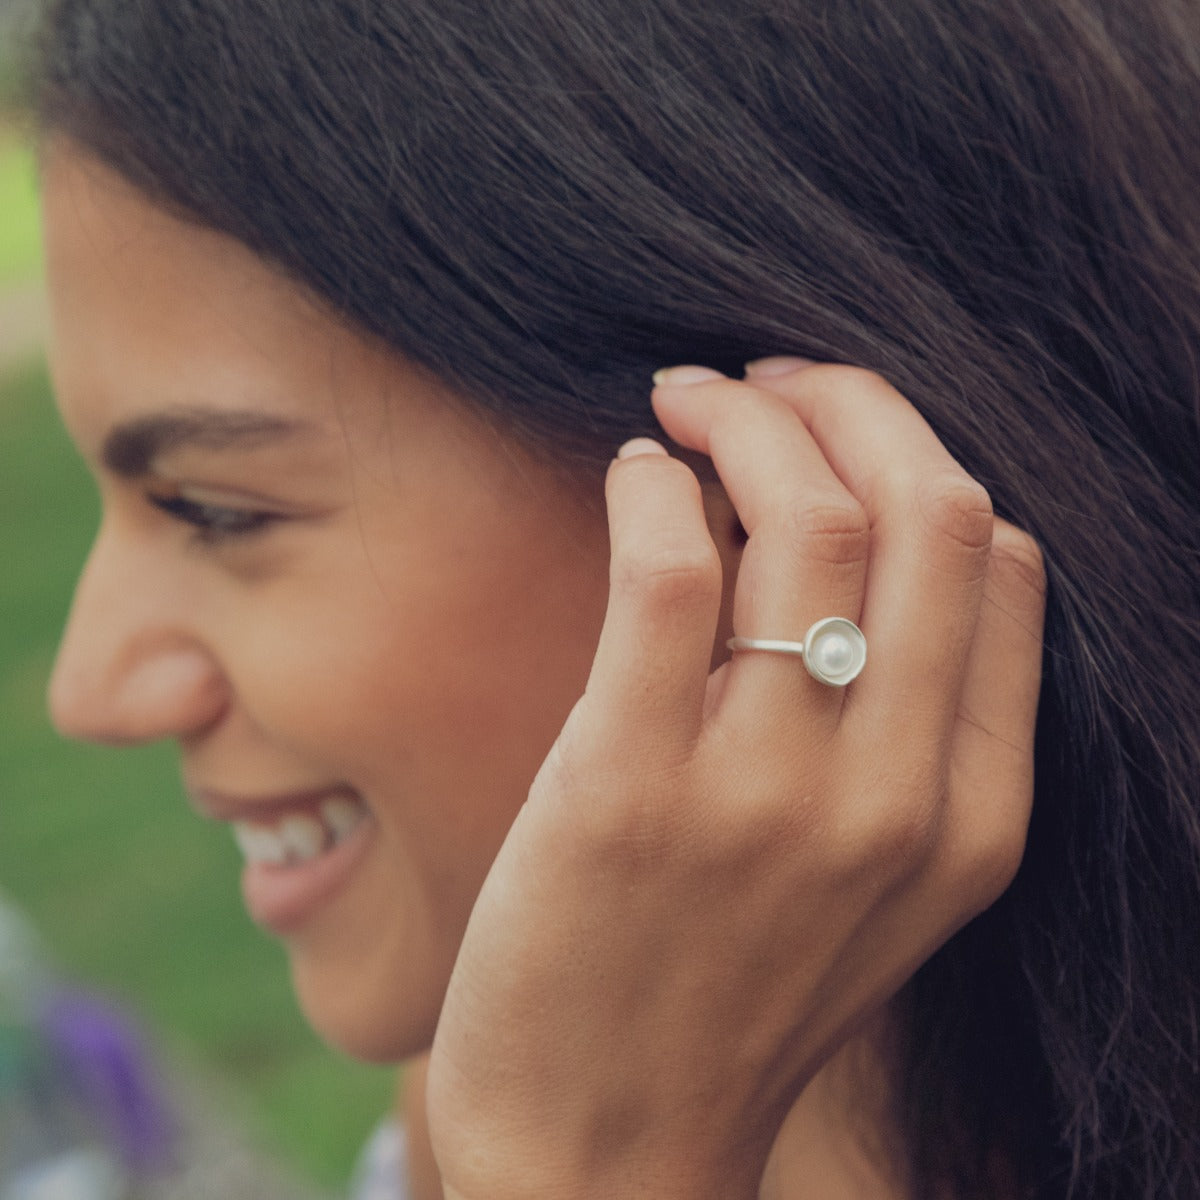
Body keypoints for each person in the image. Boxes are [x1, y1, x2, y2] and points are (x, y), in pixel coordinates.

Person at [21, 0, 1200, 1196]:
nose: (92, 690)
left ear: (777, 484)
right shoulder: (489, 1099)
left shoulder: (529, 1121)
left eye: (219, 511)